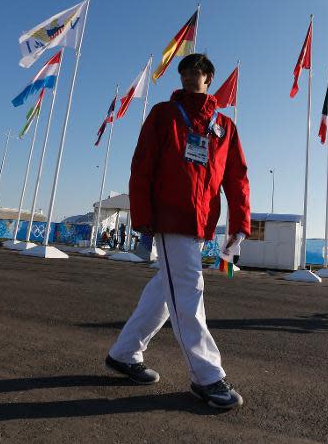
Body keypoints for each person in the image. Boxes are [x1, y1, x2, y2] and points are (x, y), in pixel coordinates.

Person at [105, 53, 251, 410]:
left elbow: (236, 178)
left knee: (165, 289)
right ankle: (208, 377)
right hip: (169, 218)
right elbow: (142, 165)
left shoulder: (224, 127)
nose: (189, 77)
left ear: (209, 78)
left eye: (197, 72)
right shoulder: (163, 114)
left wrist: (239, 225)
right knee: (187, 290)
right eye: (184, 72)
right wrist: (142, 215)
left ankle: (124, 353)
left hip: (200, 222)